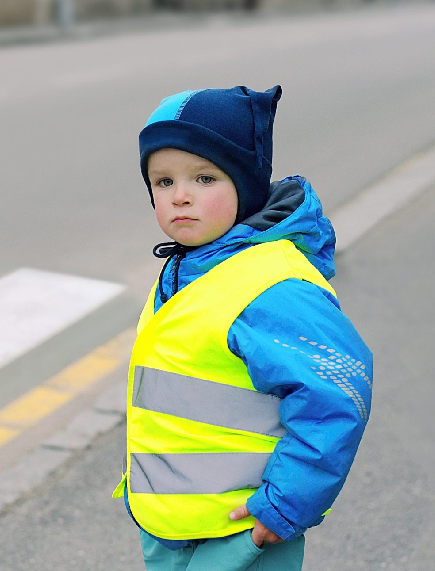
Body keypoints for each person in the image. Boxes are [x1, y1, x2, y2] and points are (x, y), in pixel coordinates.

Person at [112, 85, 373, 571]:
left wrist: (286, 506)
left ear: (246, 185)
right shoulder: (187, 267)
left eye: (204, 178)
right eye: (163, 182)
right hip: (172, 529)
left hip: (240, 532)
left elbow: (337, 395)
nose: (181, 197)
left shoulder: (271, 288)